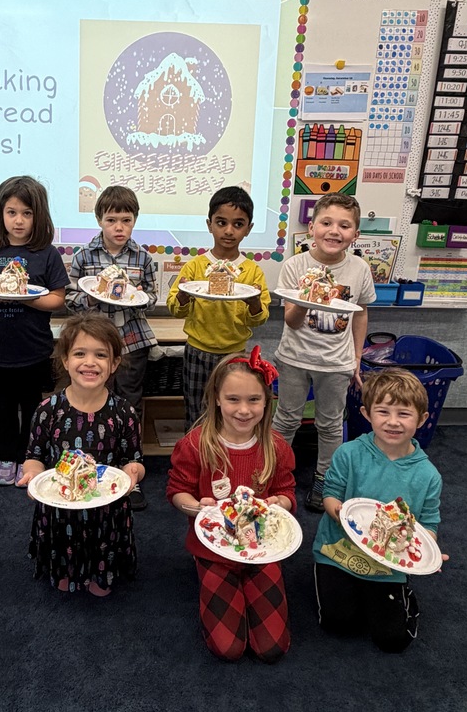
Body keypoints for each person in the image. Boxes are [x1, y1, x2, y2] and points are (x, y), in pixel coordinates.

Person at [166, 348, 296, 663]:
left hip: (261, 549)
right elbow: (176, 491)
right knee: (228, 648)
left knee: (272, 648)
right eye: (233, 399)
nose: (243, 410)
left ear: (267, 402)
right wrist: (196, 506)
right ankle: (208, 575)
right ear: (216, 400)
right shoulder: (195, 445)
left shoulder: (276, 447)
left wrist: (282, 502)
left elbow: (286, 490)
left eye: (254, 399)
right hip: (214, 549)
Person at [313, 368, 443, 653]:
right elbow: (330, 495)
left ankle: (399, 597)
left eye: (404, 414)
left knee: (393, 639)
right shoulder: (348, 454)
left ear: (422, 419)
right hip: (338, 550)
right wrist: (342, 517)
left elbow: (428, 522)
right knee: (338, 623)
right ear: (367, 413)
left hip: (388, 563)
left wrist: (427, 548)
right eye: (383, 412)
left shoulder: (428, 475)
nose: (393, 422)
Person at [18, 314, 144, 596]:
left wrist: (133, 473)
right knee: (62, 573)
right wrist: (33, 475)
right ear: (64, 360)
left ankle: (102, 572)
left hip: (106, 511)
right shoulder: (47, 409)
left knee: (103, 573)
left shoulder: (125, 412)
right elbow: (34, 455)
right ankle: (64, 568)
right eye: (80, 353)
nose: (90, 362)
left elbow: (134, 459)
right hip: (60, 507)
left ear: (114, 363)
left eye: (101, 355)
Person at [271, 194, 376, 512]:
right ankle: (274, 475)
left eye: (344, 226)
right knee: (285, 419)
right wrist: (306, 296)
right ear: (311, 227)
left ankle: (324, 480)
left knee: (330, 424)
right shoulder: (295, 265)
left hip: (336, 363)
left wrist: (357, 358)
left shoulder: (359, 269)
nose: (334, 231)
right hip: (294, 357)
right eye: (326, 223)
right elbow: (290, 318)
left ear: (355, 235)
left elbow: (360, 313)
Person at [0, 176, 69, 486]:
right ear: (1, 214)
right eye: (12, 212)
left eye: (27, 213)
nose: (19, 220)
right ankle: (5, 457)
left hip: (35, 348)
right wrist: (4, 291)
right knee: (4, 406)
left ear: (39, 216)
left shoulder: (47, 253)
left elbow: (57, 297)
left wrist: (28, 295)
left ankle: (31, 458)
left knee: (33, 407)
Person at [65, 184, 157, 510]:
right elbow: (71, 297)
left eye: (126, 220)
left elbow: (151, 298)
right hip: (94, 343)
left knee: (129, 407)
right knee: (92, 405)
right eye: (112, 220)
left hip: (131, 342)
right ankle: (88, 467)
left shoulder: (143, 258)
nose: (119, 227)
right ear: (99, 220)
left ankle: (129, 475)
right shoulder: (83, 257)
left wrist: (134, 294)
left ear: (135, 221)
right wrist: (93, 295)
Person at [166, 186, 270, 431]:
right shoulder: (195, 267)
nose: (229, 231)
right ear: (209, 224)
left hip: (235, 354)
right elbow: (175, 309)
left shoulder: (251, 271)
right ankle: (195, 462)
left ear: (249, 229)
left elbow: (259, 319)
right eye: (221, 222)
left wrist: (254, 302)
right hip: (197, 351)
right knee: (196, 412)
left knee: (231, 415)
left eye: (238, 224)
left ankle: (228, 461)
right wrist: (182, 294)